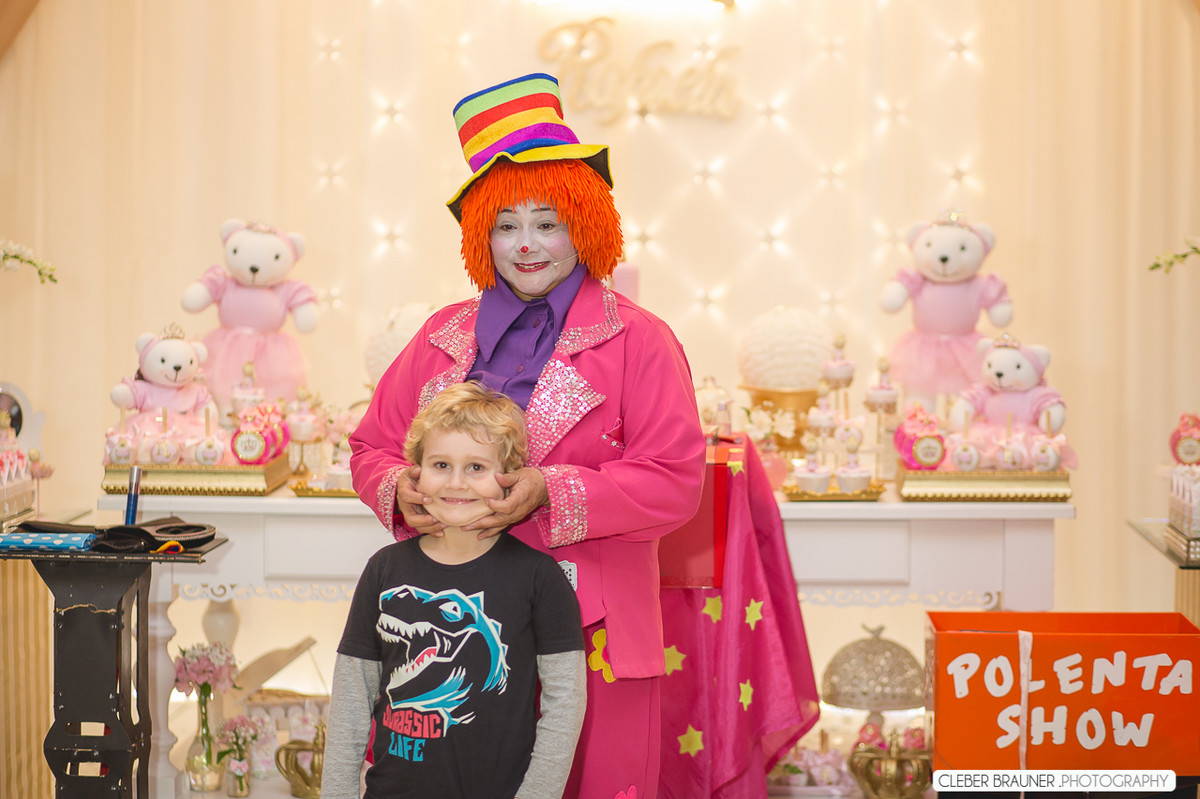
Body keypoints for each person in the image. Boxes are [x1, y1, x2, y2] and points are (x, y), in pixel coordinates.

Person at [350, 72, 706, 799]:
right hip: (456, 631)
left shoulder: (642, 340)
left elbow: (675, 480)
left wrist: (552, 489)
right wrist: (402, 489)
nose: (527, 244)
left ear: (588, 223)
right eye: (505, 224)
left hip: (593, 628)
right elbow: (371, 448)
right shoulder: (440, 335)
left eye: (549, 220)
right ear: (481, 235)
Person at [324, 381, 586, 799]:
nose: (456, 483)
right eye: (440, 465)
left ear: (510, 476)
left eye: (477, 468)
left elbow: (565, 704)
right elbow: (352, 698)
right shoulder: (384, 569)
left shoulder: (539, 578)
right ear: (416, 472)